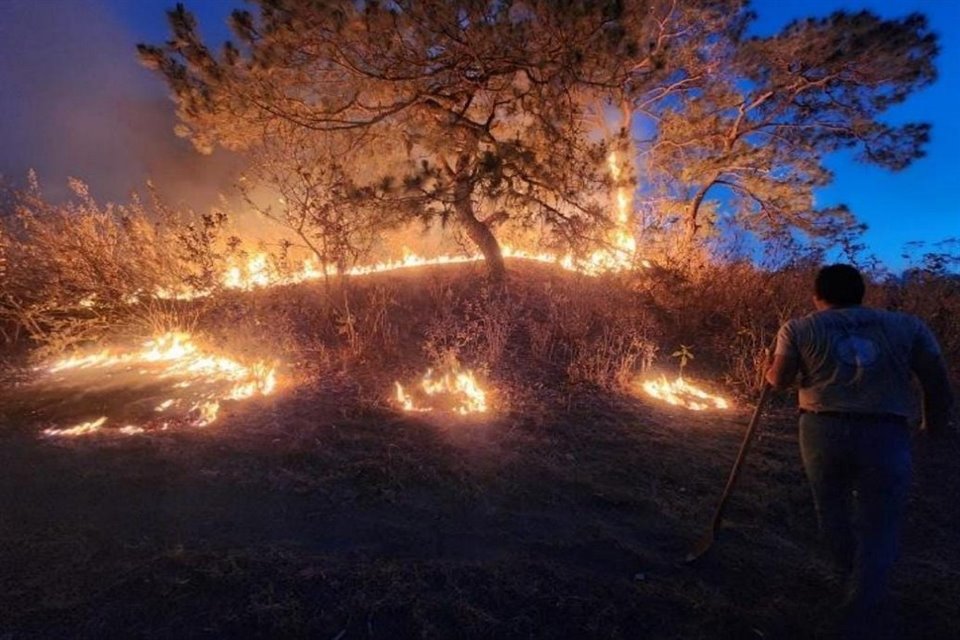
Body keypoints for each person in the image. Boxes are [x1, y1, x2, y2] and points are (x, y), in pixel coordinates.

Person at [765, 263, 955, 637]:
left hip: (823, 428)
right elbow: (937, 381)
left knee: (830, 506)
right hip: (885, 431)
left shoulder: (800, 328)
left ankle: (849, 582)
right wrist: (933, 426)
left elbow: (780, 380)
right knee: (881, 518)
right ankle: (863, 599)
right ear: (862, 293)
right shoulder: (908, 326)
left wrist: (768, 370)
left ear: (817, 295)